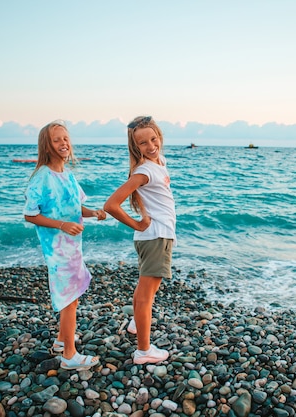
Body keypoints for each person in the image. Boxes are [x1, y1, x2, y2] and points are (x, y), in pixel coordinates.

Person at [23, 119, 106, 370]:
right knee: (69, 298)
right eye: (57, 140)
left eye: (65, 138)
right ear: (47, 146)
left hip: (73, 247)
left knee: (75, 294)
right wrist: (61, 225)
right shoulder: (41, 177)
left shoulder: (67, 175)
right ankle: (70, 355)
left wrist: (94, 213)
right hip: (57, 249)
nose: (63, 143)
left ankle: (61, 341)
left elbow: (75, 206)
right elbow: (30, 214)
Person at [103, 115, 176, 365]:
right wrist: (136, 223)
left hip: (157, 236)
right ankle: (144, 351)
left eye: (153, 139)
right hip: (155, 236)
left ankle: (137, 322)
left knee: (148, 289)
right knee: (146, 296)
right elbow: (111, 205)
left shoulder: (158, 162)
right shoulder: (144, 171)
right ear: (136, 147)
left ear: (160, 137)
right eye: (143, 143)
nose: (151, 146)